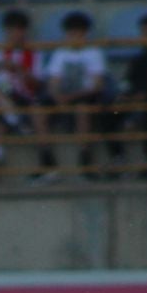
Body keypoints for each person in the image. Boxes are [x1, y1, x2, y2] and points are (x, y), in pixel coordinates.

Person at [0, 7, 54, 184]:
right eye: (10, 30)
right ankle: (15, 120)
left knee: (2, 112)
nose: (13, 34)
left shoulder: (33, 54)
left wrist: (19, 70)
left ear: (24, 31)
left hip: (22, 96)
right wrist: (0, 69)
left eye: (17, 30)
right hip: (1, 95)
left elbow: (37, 84)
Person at [43, 10, 112, 179]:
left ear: (85, 34)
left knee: (83, 108)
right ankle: (45, 156)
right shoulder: (60, 54)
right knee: (38, 109)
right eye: (70, 34)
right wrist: (57, 96)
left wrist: (69, 97)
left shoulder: (94, 53)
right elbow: (53, 82)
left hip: (84, 96)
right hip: (65, 96)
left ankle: (84, 155)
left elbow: (97, 85)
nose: (73, 38)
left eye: (77, 34)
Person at [109, 11, 147, 178]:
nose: (144, 36)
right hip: (134, 100)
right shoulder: (140, 58)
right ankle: (117, 158)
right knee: (109, 112)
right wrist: (125, 96)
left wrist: (141, 97)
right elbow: (128, 82)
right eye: (143, 32)